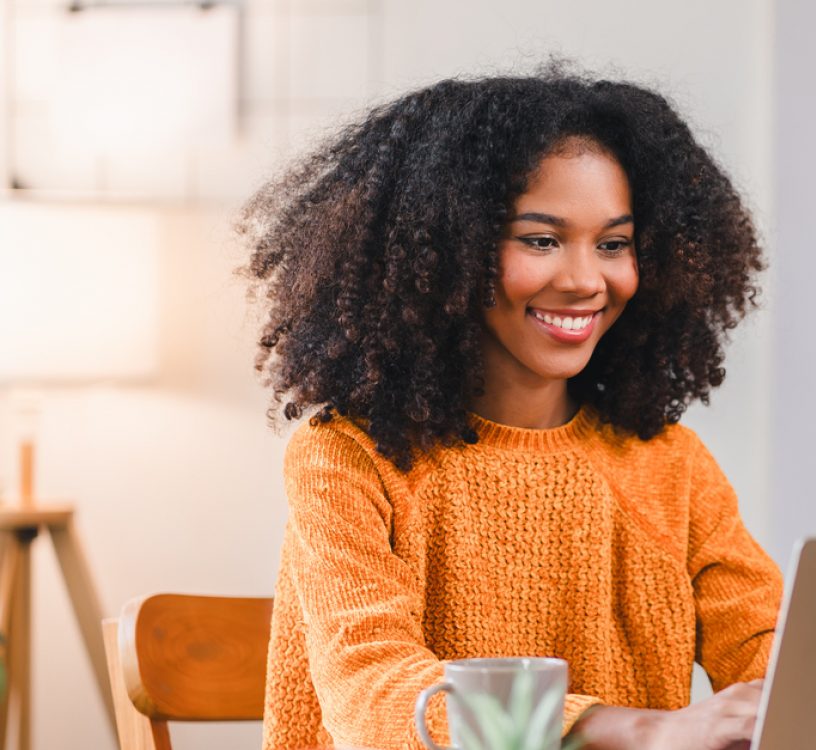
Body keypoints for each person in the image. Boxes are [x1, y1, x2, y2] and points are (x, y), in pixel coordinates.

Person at [240, 66, 780, 750]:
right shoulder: (347, 458)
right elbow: (375, 694)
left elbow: (775, 655)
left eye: (613, 244)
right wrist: (637, 729)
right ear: (443, 253)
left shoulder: (672, 466)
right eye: (541, 240)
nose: (586, 280)